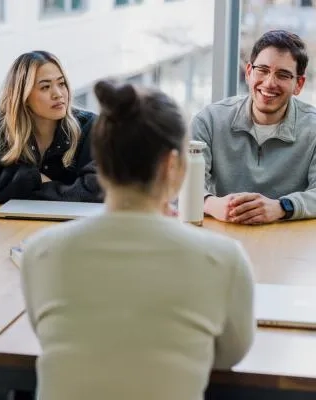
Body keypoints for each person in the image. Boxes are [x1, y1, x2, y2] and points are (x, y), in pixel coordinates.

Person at [21, 80, 255, 400]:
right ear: (172, 165)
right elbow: (229, 356)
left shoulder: (40, 251)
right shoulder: (223, 258)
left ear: (100, 163)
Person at [192, 30, 316, 224]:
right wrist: (211, 204)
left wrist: (282, 207)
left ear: (298, 84)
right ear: (249, 72)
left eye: (283, 75)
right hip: (222, 235)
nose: (269, 83)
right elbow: (182, 185)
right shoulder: (209, 121)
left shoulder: (313, 128)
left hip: (290, 243)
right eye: (262, 70)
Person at [0, 51, 102, 204]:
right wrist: (34, 178)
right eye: (45, 87)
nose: (58, 94)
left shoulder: (92, 128)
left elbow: (97, 191)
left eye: (61, 83)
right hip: (14, 226)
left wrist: (24, 190)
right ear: (23, 96)